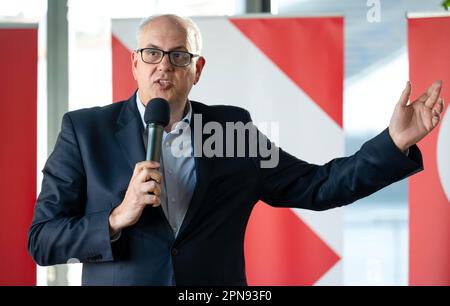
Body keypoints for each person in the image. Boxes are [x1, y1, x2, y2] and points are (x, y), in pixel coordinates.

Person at [28, 14, 444, 286]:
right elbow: (42, 240)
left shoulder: (229, 129)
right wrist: (118, 216)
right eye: (151, 53)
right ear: (134, 63)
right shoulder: (85, 131)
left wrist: (394, 143)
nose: (163, 65)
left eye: (178, 55)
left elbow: (320, 186)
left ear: (198, 69)